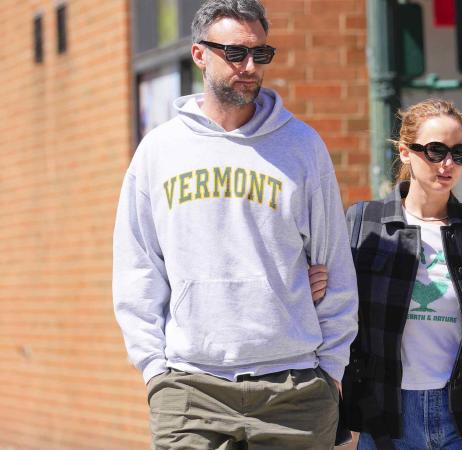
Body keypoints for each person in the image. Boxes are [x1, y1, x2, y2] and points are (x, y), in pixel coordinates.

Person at [112, 1, 358, 448]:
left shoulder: (301, 146)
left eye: (260, 54)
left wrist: (331, 369)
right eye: (235, 53)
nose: (249, 66)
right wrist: (153, 369)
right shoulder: (159, 150)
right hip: (189, 387)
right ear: (199, 54)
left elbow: (334, 263)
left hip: (295, 389)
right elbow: (138, 265)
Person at [340, 99, 462, 449]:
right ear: (406, 152)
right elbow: (342, 320)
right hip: (388, 415)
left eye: (460, 153)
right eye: (436, 151)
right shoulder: (365, 223)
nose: (447, 164)